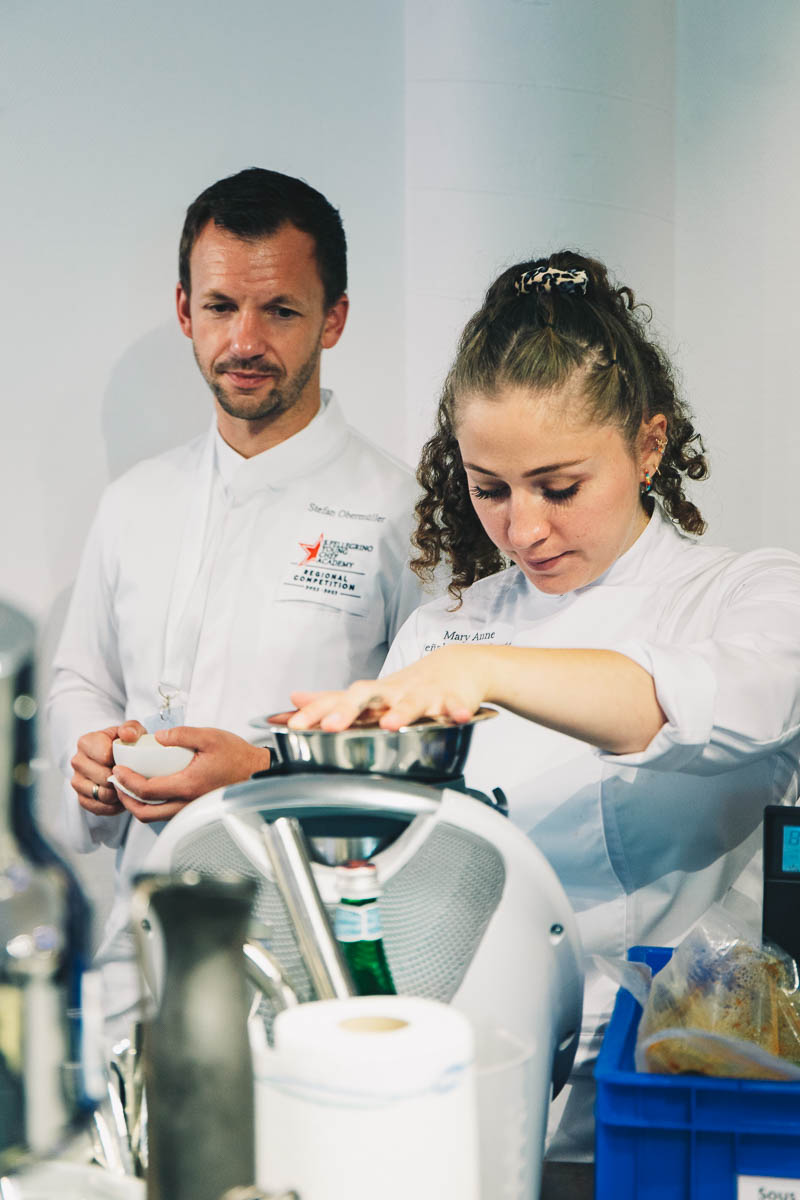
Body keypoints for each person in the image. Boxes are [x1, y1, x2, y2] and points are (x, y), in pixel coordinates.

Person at [286, 251, 800, 1158]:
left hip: (689, 1097)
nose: (523, 529)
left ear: (649, 444)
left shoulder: (752, 597)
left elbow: (695, 706)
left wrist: (493, 673)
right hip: (487, 1093)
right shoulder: (446, 636)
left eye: (560, 488)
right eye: (489, 489)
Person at [47, 168, 422, 1029]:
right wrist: (93, 758)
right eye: (220, 307)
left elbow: (428, 749)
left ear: (334, 318)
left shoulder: (400, 513)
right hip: (143, 938)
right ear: (185, 310)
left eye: (280, 311)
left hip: (316, 947)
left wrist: (260, 770)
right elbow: (82, 681)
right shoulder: (134, 502)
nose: (244, 340)